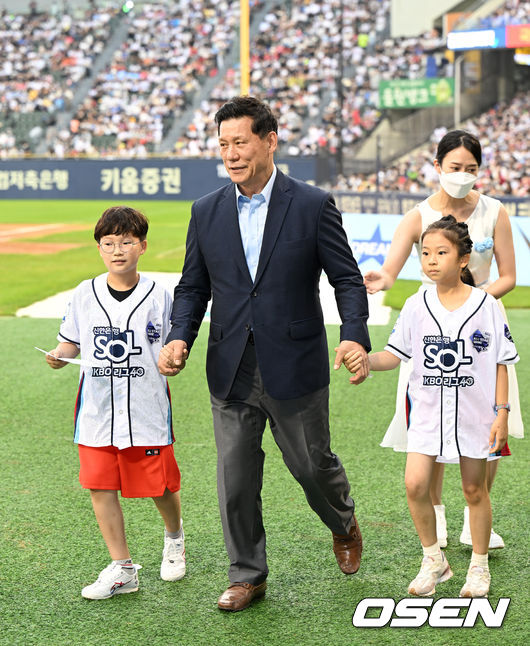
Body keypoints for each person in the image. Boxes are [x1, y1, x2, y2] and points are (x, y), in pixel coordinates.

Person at [158, 96, 371, 612]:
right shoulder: (205, 211)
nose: (231, 154)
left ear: (269, 141)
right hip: (229, 366)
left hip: (295, 363)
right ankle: (247, 575)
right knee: (235, 478)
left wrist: (354, 334)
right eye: (223, 144)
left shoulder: (312, 203)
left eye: (241, 142)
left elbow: (346, 277)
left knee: (311, 466)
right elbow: (192, 286)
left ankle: (342, 519)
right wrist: (179, 334)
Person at [363, 129, 522, 549]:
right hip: (431, 330)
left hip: (483, 330)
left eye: (471, 169)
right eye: (455, 168)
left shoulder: (495, 211)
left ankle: (477, 518)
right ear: (437, 167)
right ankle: (437, 518)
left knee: (488, 423)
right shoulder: (418, 216)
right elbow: (392, 269)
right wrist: (382, 278)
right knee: (430, 426)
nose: (463, 175)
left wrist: (471, 304)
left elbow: (509, 275)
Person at [347, 215, 519, 597]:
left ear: (462, 259)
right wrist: (365, 359)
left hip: (475, 416)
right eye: (425, 253)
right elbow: (394, 355)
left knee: (474, 490)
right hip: (426, 414)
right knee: (414, 484)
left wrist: (502, 413)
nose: (431, 260)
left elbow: (502, 362)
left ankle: (478, 565)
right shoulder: (415, 304)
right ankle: (434, 560)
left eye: (441, 252)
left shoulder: (485, 305)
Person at [45, 206, 185, 600]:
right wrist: (59, 354)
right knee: (100, 486)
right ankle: (122, 567)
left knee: (159, 485)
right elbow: (70, 341)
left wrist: (176, 358)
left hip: (145, 407)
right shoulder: (83, 293)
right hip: (96, 411)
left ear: (142, 246)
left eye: (126, 242)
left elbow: (175, 343)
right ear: (99, 248)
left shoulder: (160, 295)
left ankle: (174, 538)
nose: (117, 250)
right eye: (108, 244)